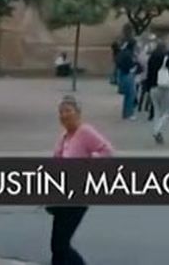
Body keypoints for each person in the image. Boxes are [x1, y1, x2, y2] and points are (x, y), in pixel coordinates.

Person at [51, 95, 113, 265]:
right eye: (61, 112)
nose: (64, 115)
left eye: (68, 111)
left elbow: (107, 152)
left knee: (61, 245)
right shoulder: (64, 137)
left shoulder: (85, 132)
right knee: (57, 246)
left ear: (78, 113)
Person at [145, 40, 169, 144]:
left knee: (157, 111)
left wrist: (147, 88)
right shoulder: (166, 58)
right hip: (164, 86)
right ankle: (157, 130)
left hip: (153, 86)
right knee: (168, 111)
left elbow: (148, 73)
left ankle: (156, 130)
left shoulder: (151, 57)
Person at [113, 39, 139, 121]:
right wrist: (134, 66)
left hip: (123, 74)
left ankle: (125, 114)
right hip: (128, 74)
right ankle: (129, 114)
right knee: (130, 95)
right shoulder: (129, 54)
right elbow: (130, 64)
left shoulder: (123, 52)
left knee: (128, 95)